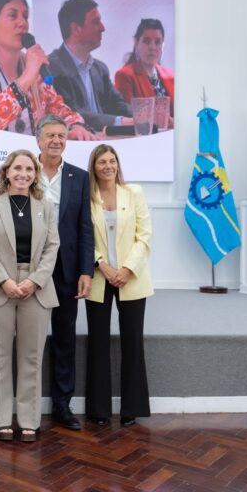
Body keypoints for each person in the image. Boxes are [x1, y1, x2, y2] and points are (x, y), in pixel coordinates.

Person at [0, 150, 59, 442]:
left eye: (29, 169)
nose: (23, 174)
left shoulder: (45, 206)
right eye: (17, 168)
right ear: (6, 172)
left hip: (36, 289)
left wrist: (34, 281)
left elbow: (52, 247)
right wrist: (5, 281)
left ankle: (29, 420)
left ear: (35, 175)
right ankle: (1, 420)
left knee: (31, 357)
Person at [0, 0, 96, 140]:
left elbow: (60, 110)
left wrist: (75, 126)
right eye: (13, 15)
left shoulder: (33, 66)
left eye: (25, 16)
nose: (23, 23)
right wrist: (25, 79)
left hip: (32, 154)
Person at [85, 144, 153, 427]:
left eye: (112, 161)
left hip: (131, 278)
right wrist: (102, 265)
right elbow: (82, 236)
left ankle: (131, 408)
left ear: (118, 164)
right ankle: (99, 410)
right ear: (94, 166)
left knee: (133, 342)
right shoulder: (86, 196)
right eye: (102, 162)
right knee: (98, 343)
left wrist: (126, 269)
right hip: (99, 277)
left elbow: (144, 236)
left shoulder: (134, 192)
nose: (108, 166)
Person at [35, 115, 94, 431]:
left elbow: (85, 226)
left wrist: (86, 270)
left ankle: (62, 404)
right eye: (50, 135)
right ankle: (27, 405)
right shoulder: (24, 171)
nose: (56, 140)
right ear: (38, 140)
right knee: (29, 337)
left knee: (64, 336)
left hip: (66, 268)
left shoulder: (79, 177)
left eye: (61, 135)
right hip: (29, 268)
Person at [48, 0, 132, 132]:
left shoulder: (100, 69)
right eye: (95, 22)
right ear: (76, 29)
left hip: (103, 140)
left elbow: (118, 105)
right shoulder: (51, 67)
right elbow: (72, 113)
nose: (103, 28)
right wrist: (121, 121)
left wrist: (147, 116)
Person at [114, 18, 175, 116]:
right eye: (146, 41)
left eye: (157, 42)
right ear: (136, 42)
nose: (152, 47)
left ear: (163, 45)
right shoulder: (124, 76)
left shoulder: (170, 76)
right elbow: (129, 116)